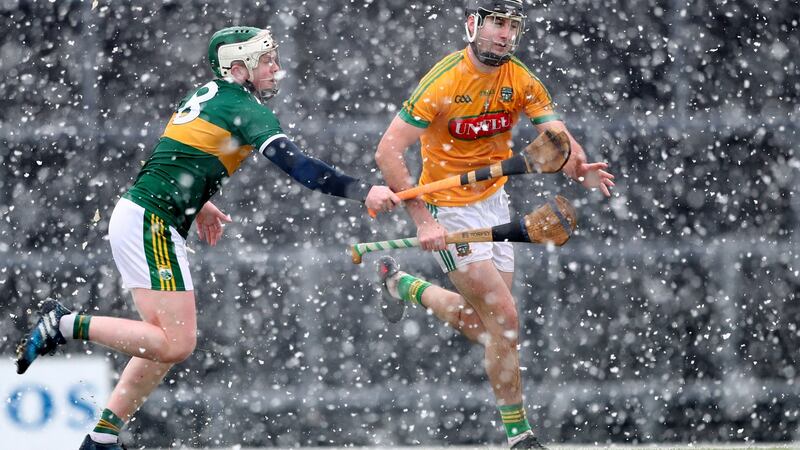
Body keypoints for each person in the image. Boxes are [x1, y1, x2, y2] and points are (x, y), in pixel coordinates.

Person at [14, 26, 400, 450]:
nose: (276, 68)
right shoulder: (247, 109)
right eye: (266, 61)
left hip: (143, 214)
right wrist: (365, 191)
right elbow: (302, 170)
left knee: (162, 340)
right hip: (152, 223)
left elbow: (175, 153)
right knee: (176, 343)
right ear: (238, 68)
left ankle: (102, 438)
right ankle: (65, 324)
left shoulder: (210, 93)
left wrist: (199, 200)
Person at [374, 1, 615, 448]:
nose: (505, 35)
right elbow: (388, 152)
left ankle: (402, 285)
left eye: (512, 26)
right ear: (473, 26)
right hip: (447, 209)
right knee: (504, 320)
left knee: (485, 324)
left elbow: (556, 137)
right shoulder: (444, 81)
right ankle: (519, 437)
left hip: (494, 204)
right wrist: (423, 221)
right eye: (496, 25)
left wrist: (577, 166)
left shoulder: (519, 78)